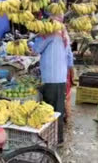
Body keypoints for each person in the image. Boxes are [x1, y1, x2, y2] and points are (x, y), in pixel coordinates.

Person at [30, 15, 73, 145]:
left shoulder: (49, 35)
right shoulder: (64, 35)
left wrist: (31, 41)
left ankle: (50, 139)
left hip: (50, 77)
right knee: (58, 109)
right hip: (60, 77)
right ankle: (58, 138)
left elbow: (36, 49)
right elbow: (70, 57)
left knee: (49, 109)